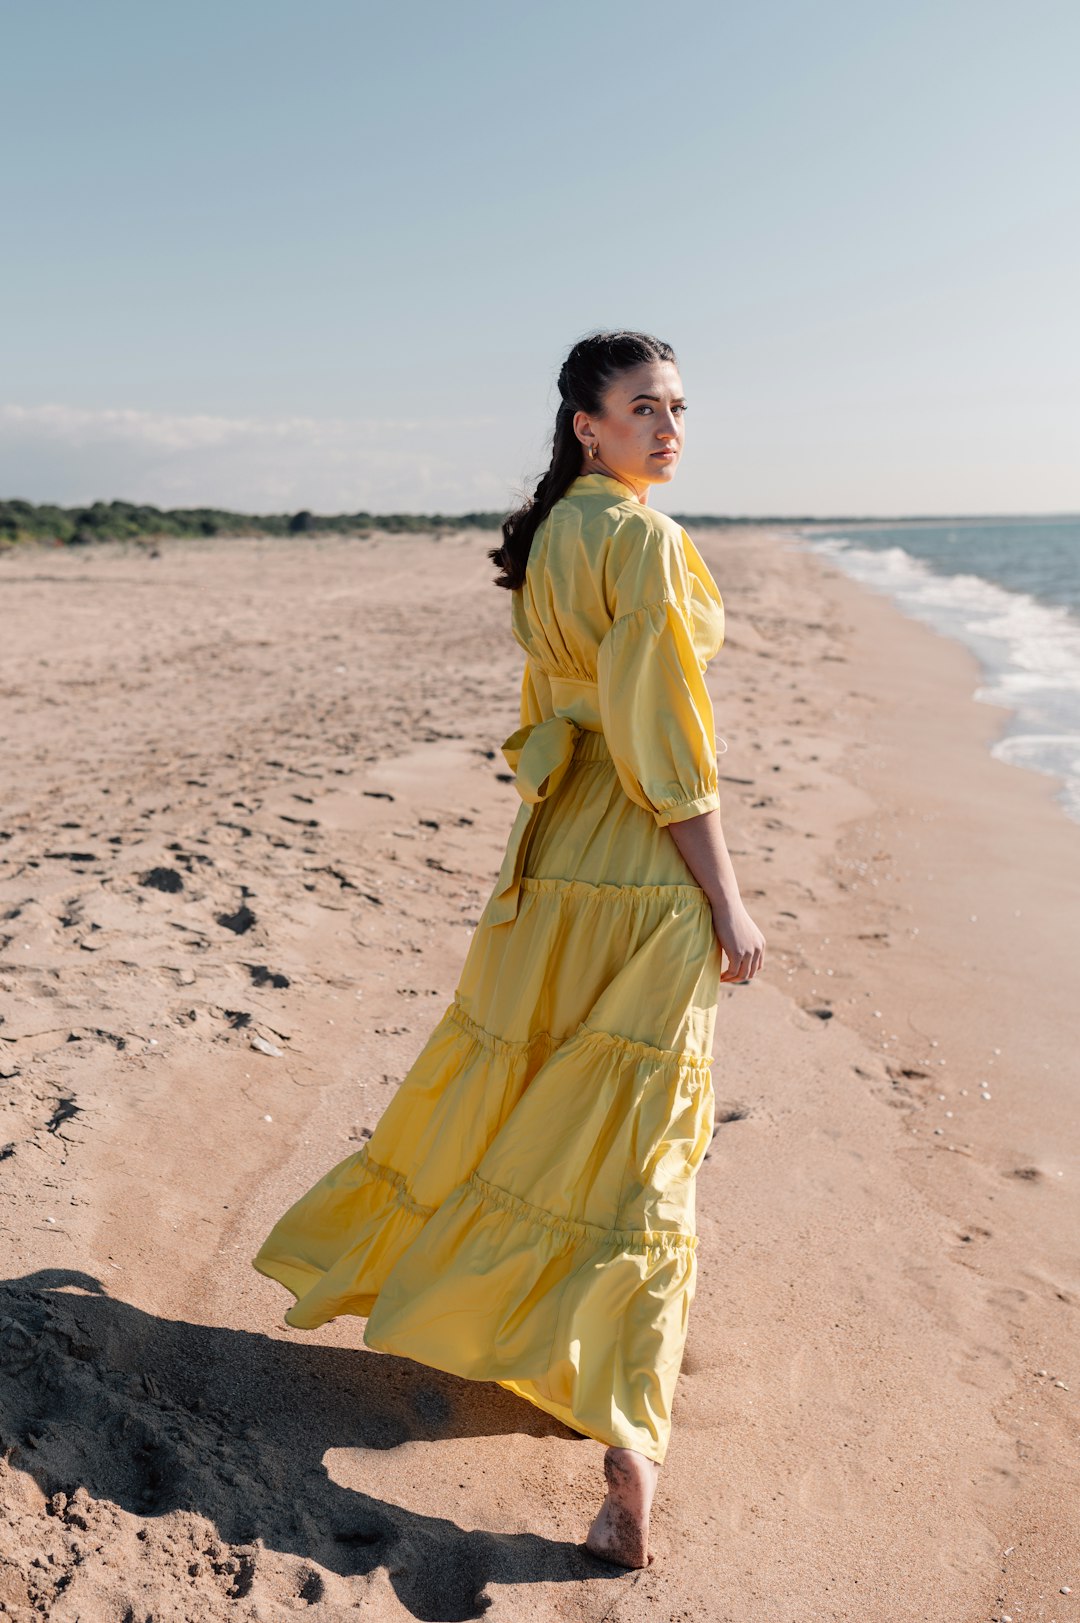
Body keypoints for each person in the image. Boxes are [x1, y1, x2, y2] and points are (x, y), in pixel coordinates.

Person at [252, 330, 765, 1570]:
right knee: (638, 1137)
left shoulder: (554, 539)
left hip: (550, 857)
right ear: (587, 424)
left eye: (681, 408)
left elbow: (553, 714)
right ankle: (629, 1449)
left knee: (530, 1086)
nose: (671, 427)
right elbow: (664, 748)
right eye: (645, 408)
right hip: (641, 861)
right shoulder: (641, 540)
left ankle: (528, 1329)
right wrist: (729, 898)